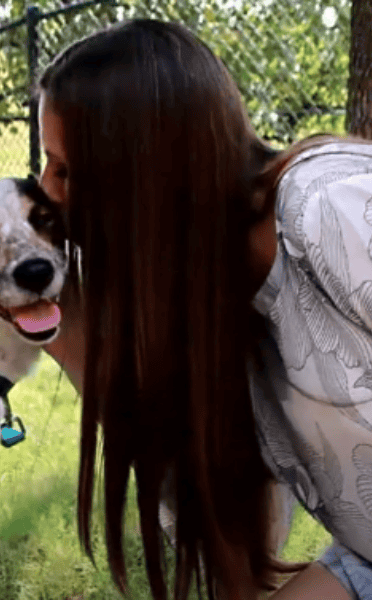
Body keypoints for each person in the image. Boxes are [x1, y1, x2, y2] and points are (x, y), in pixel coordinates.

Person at [39, 19, 372, 600]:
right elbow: (218, 526)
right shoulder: (207, 298)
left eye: (65, 169)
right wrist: (72, 341)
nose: (45, 192)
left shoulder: (330, 208)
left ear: (143, 169)